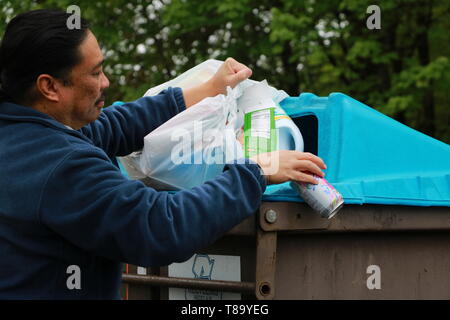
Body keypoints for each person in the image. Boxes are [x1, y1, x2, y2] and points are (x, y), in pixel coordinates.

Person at [0, 9, 326, 299]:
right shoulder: (62, 165)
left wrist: (204, 91)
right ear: (50, 87)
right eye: (95, 73)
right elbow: (158, 226)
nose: (106, 81)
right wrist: (255, 170)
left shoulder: (21, 132)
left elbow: (111, 127)